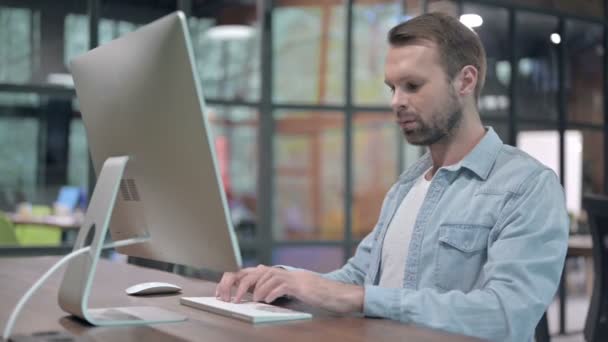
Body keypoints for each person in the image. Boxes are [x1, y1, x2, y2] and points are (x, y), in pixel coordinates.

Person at [216, 12, 568, 342]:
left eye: (412, 85)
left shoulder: (527, 186)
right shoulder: (407, 184)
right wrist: (280, 280)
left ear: (465, 80)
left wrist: (362, 299)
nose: (396, 102)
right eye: (392, 88)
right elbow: (357, 279)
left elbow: (506, 315)